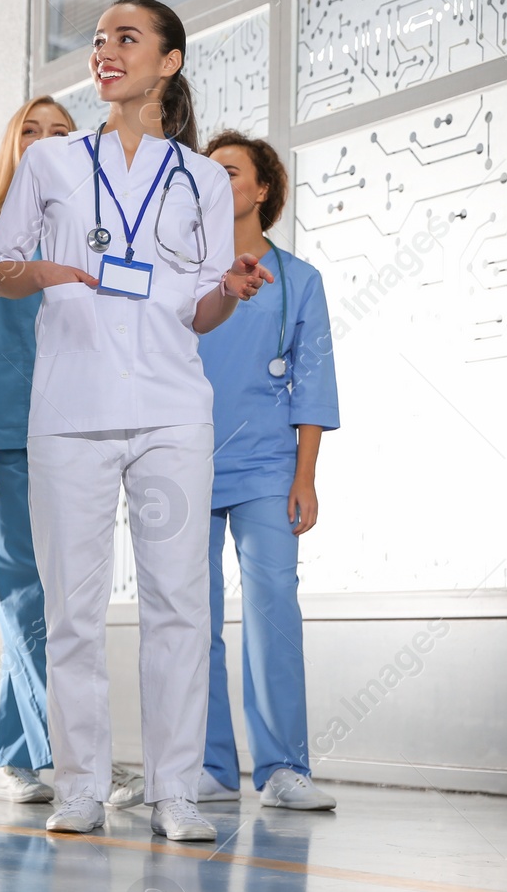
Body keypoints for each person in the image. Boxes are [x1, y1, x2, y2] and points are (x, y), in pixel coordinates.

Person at [0, 0, 271, 844]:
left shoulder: (205, 178)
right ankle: (79, 786)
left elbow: (202, 310)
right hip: (70, 411)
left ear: (169, 62)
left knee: (180, 603)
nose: (105, 50)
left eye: (126, 38)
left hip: (173, 412)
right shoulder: (53, 164)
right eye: (99, 39)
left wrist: (230, 288)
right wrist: (42, 268)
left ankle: (175, 790)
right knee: (71, 609)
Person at [0, 96, 115, 807]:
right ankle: (80, 757)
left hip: (68, 437)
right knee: (29, 600)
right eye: (32, 132)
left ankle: (15, 759)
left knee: (58, 601)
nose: (46, 143)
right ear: (13, 145)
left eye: (62, 135)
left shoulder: (83, 238)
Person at [195, 131, 340, 812]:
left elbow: (312, 386)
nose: (216, 181)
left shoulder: (300, 281)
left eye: (229, 172)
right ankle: (209, 766)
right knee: (192, 616)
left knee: (273, 608)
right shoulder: (185, 273)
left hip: (267, 466)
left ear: (261, 189)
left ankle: (283, 765)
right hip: (184, 461)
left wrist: (304, 476)